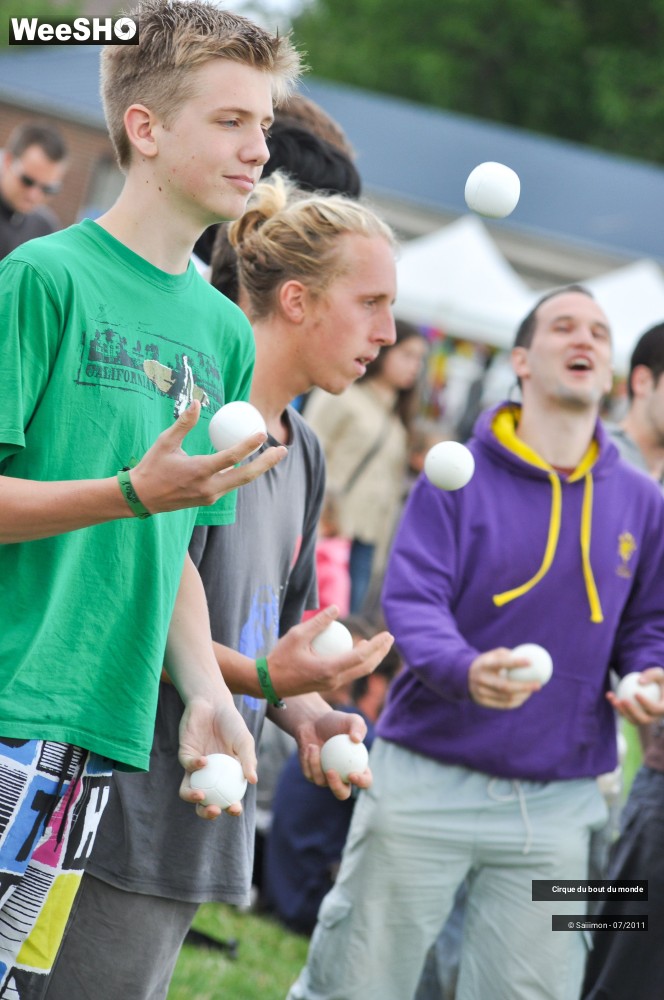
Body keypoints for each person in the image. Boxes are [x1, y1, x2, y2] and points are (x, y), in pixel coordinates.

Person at [0, 3, 303, 996]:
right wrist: (131, 490)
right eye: (230, 121)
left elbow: (170, 543)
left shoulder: (222, 334)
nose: (258, 147)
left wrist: (210, 694)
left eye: (264, 124)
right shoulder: (43, 278)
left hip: (101, 729)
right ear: (145, 127)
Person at [44, 171, 397, 999]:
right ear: (300, 300)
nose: (388, 331)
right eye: (371, 302)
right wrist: (273, 678)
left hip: (203, 811)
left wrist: (307, 713)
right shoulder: (196, 428)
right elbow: (145, 598)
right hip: (123, 799)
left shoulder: (303, 448)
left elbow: (265, 628)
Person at [287, 285, 664, 1000]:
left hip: (562, 801)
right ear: (522, 359)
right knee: (353, 983)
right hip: (424, 776)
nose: (584, 339)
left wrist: (650, 674)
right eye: (563, 326)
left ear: (613, 371)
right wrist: (465, 669)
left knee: (536, 992)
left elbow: (649, 623)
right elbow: (413, 601)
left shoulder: (644, 500)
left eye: (599, 332)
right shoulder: (455, 471)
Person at [581, 322, 664, 1000]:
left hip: (621, 768)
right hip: (571, 759)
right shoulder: (604, 470)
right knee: (582, 923)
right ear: (642, 382)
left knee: (580, 919)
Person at [262, 616, 401, 936]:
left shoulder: (337, 728)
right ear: (379, 684)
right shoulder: (356, 738)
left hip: (286, 895)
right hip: (310, 901)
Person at [304, 318, 429, 612]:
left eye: (420, 359)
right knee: (315, 616)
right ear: (383, 351)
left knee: (346, 625)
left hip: (370, 537)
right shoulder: (344, 394)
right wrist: (322, 509)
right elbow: (308, 449)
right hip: (329, 530)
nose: (416, 367)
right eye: (408, 355)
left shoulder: (397, 415)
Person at [0, 121, 69, 259]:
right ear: (8, 161)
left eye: (47, 188)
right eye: (27, 181)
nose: (34, 195)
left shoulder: (44, 230)